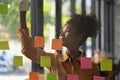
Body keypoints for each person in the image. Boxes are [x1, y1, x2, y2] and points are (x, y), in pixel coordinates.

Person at [17, 0, 100, 80]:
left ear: (79, 37)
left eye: (67, 31)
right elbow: (27, 50)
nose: (61, 34)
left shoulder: (91, 66)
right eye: (61, 31)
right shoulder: (54, 60)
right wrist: (22, 13)